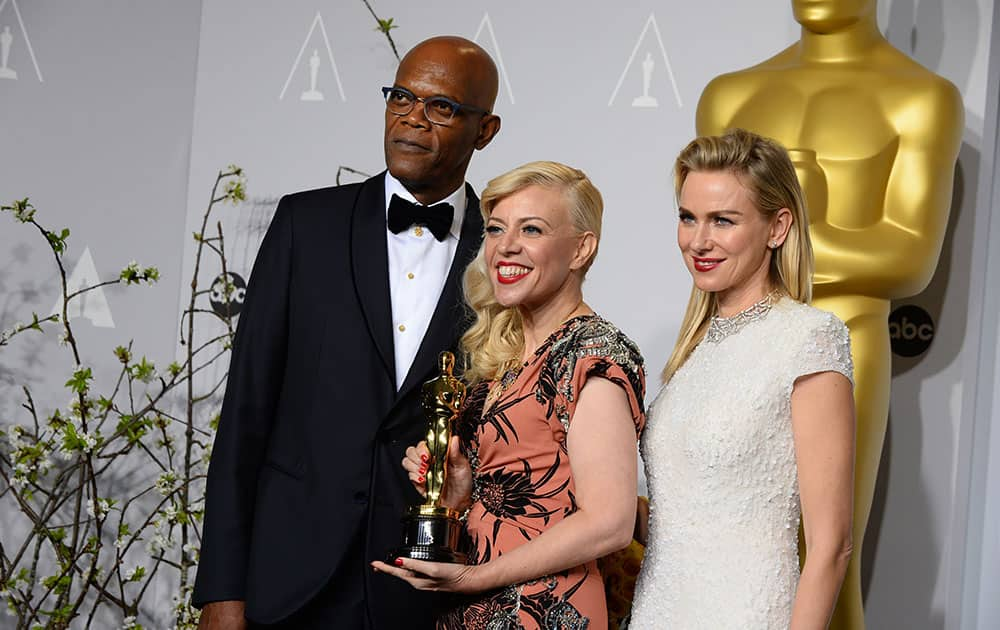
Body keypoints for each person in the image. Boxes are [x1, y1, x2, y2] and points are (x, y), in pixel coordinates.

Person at [192, 36, 501, 629]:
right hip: (289, 580)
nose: (413, 117)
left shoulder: (503, 251)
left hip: (426, 591)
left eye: (441, 107)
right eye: (402, 97)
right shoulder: (305, 226)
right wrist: (221, 589)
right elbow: (245, 417)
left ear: (484, 131)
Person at [695, 3, 963, 625]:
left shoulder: (921, 97)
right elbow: (705, 235)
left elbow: (909, 257)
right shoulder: (730, 95)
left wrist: (781, 230)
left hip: (843, 341)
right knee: (721, 546)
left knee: (822, 562)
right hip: (731, 338)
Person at [372, 161, 646, 630]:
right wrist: (460, 491)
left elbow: (610, 521)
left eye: (532, 229)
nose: (506, 246)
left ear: (582, 249)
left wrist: (474, 578)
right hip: (471, 610)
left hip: (545, 611)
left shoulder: (593, 355)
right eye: (496, 229)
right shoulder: (501, 355)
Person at [630, 129, 856, 628]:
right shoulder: (695, 348)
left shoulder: (810, 338)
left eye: (722, 221)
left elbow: (832, 546)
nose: (698, 241)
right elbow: (683, 524)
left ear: (778, 227)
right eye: (688, 218)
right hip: (658, 613)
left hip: (747, 614)